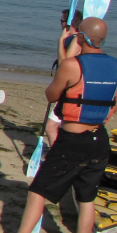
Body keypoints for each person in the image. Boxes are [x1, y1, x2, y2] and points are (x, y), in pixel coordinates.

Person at [0, 17, 117, 233]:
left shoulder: (72, 65)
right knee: (86, 197)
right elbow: (115, 105)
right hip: (99, 139)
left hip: (74, 140)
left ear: (81, 37)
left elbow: (51, 94)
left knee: (38, 191)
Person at [45, 8, 83, 147]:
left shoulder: (77, 39)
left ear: (68, 24)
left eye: (61, 21)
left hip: (71, 90)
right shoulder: (75, 38)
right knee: (59, 127)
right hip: (68, 88)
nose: (59, 23)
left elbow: (64, 64)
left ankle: (57, 158)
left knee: (51, 127)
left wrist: (60, 41)